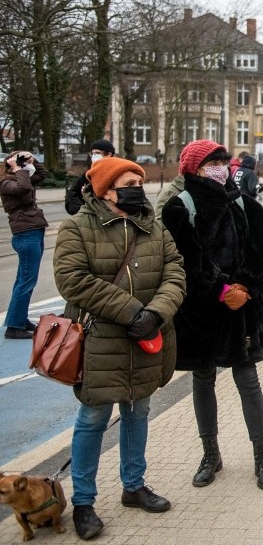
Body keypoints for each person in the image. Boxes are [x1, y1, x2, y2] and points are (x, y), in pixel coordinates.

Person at [53, 156, 186, 540]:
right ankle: (83, 502)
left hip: (146, 340)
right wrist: (131, 312)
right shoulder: (76, 228)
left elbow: (175, 272)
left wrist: (156, 313)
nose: (137, 188)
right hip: (101, 342)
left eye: (139, 181)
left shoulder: (154, 227)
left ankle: (134, 486)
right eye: (128, 182)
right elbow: (73, 280)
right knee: (93, 420)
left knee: (138, 412)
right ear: (106, 189)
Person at [161, 139, 263, 490]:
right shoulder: (178, 207)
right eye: (212, 162)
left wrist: (246, 290)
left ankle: (261, 455)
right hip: (200, 312)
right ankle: (210, 453)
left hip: (241, 311)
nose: (220, 167)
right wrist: (221, 290)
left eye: (223, 161)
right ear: (193, 169)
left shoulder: (248, 206)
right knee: (203, 379)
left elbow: (260, 257)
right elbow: (183, 261)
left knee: (248, 381)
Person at [1, 151, 48, 339]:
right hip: (25, 233)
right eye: (23, 161)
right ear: (10, 164)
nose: (26, 164)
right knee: (26, 280)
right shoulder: (5, 182)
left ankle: (19, 319)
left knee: (25, 279)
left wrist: (32, 158)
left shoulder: (24, 178)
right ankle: (14, 327)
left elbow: (42, 173)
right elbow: (21, 189)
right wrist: (17, 167)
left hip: (33, 229)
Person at [66, 139, 115, 215]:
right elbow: (72, 194)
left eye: (98, 153)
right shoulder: (89, 174)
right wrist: (83, 211)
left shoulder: (118, 172)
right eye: (92, 153)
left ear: (109, 154)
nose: (94, 156)